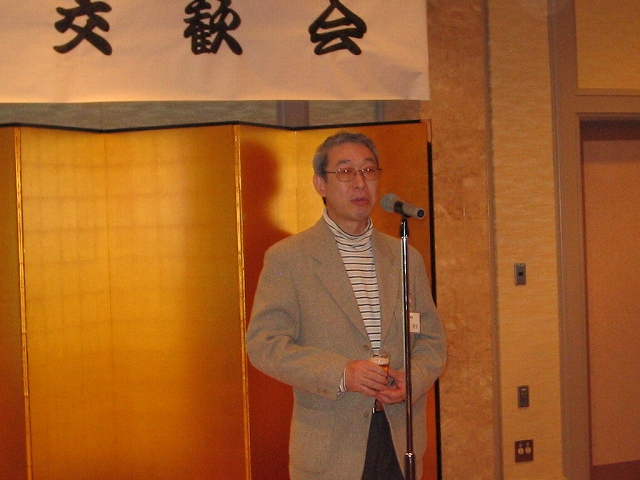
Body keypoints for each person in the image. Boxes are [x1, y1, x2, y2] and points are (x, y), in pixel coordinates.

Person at [245, 131, 447, 480]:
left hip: (400, 438)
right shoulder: (289, 258)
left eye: (368, 170)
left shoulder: (405, 256)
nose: (359, 182)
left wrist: (412, 379)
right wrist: (341, 373)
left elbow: (431, 341)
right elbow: (264, 345)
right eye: (345, 172)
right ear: (320, 184)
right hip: (331, 446)